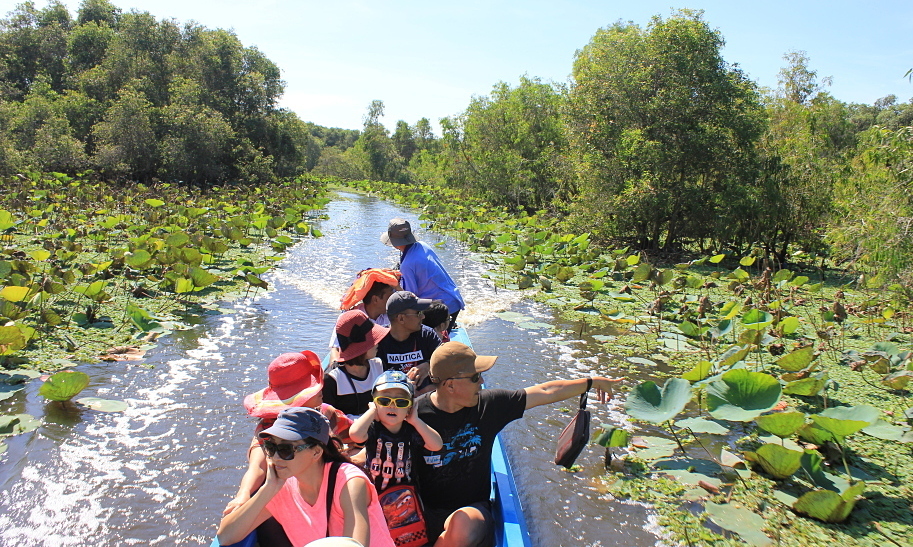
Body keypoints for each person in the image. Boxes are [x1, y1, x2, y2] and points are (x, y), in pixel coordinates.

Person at [414, 342, 622, 547]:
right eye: (475, 377)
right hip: (422, 509)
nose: (482, 381)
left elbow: (546, 391)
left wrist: (592, 382)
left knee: (462, 525)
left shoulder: (488, 406)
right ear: (450, 385)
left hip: (472, 511)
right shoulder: (415, 415)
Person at [224, 351, 355, 546]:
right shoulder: (270, 427)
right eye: (312, 388)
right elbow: (257, 467)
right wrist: (243, 495)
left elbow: (355, 436)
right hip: (285, 500)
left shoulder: (326, 414)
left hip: (324, 493)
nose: (321, 388)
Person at [217, 408, 395, 547]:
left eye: (286, 449)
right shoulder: (280, 487)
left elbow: (355, 545)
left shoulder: (349, 482)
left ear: (316, 452)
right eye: (271, 448)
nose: (276, 457)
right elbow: (226, 536)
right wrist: (267, 489)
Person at [349, 371, 443, 547]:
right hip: (375, 494)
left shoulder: (411, 430)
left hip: (404, 494)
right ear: (375, 403)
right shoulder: (373, 428)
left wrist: (415, 420)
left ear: (410, 407)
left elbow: (436, 445)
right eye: (384, 401)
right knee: (378, 533)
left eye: (401, 402)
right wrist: (371, 412)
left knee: (405, 534)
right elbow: (355, 435)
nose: (392, 406)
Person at [381, 218, 464, 330]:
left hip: (441, 308)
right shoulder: (422, 245)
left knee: (419, 334)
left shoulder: (407, 265)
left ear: (394, 243)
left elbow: (409, 297)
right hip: (453, 297)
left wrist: (395, 287)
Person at [324, 310, 389, 419]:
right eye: (373, 340)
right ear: (361, 347)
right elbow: (328, 420)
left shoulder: (380, 366)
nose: (378, 343)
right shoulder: (332, 380)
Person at [329, 269, 401, 363]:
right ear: (375, 300)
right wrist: (335, 367)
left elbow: (412, 308)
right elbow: (336, 349)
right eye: (390, 297)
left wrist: (398, 288)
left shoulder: (392, 314)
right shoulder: (350, 318)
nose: (393, 300)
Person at [375, 291, 440, 393]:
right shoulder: (378, 341)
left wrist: (429, 365)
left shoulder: (427, 335)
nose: (423, 317)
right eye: (418, 313)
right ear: (401, 318)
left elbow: (448, 361)